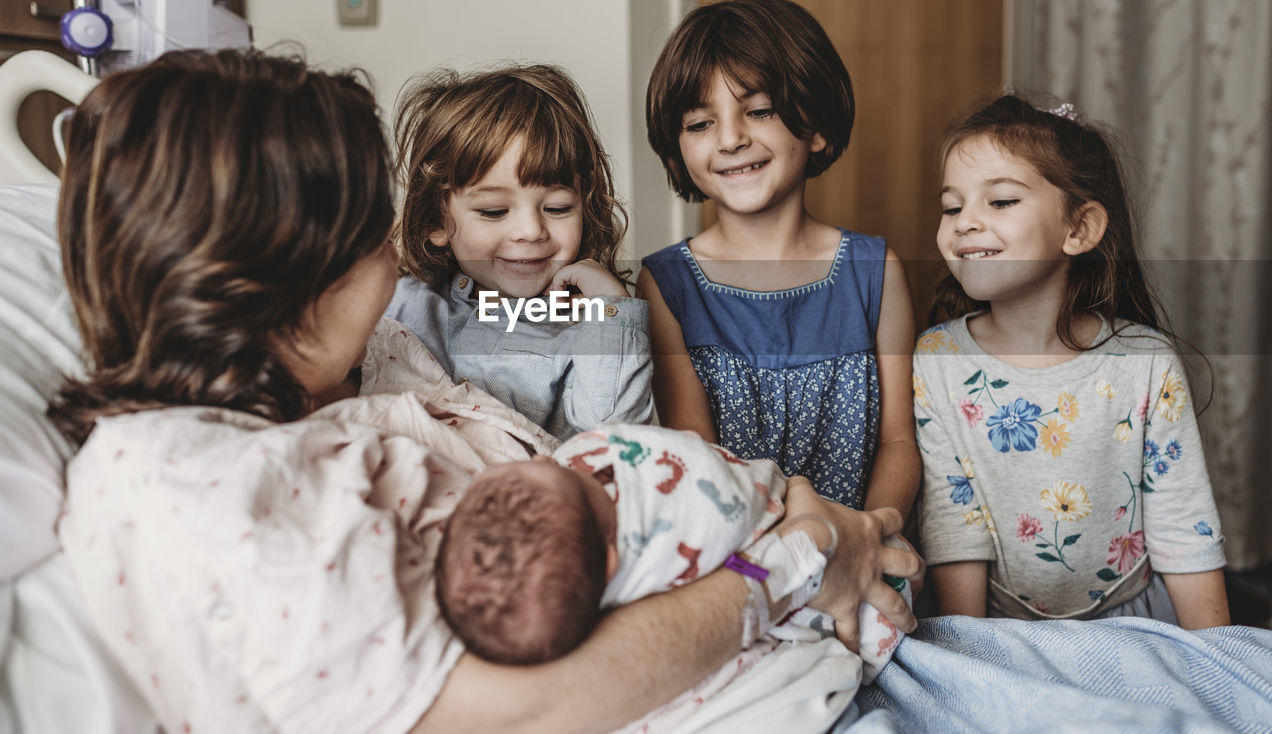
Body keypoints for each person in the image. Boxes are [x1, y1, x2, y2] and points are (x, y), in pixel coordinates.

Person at [46, 49, 921, 734]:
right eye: (369, 229)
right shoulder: (185, 490)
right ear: (284, 265)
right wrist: (795, 560)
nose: (394, 251)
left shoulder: (369, 366)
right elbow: (518, 709)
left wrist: (795, 519)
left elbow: (604, 468)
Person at [913, 94, 1229, 627]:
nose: (965, 223)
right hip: (997, 625)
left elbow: (1182, 523)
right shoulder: (937, 358)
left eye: (1001, 202)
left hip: (1136, 619)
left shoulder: (1146, 361)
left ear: (1079, 229)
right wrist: (971, 660)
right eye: (952, 206)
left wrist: (1220, 665)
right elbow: (953, 521)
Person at [639, 0, 920, 522]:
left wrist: (870, 533)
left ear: (814, 126)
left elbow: (899, 441)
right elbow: (695, 450)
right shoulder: (663, 284)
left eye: (760, 111)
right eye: (699, 123)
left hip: (862, 548)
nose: (730, 139)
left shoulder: (876, 270)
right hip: (735, 550)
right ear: (678, 149)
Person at [435, 422, 911, 684]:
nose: (548, 457)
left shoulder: (548, 573)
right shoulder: (647, 552)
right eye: (573, 477)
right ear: (610, 561)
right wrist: (810, 534)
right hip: (826, 611)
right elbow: (738, 514)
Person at [386, 65, 651, 441]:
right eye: (494, 211)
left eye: (558, 208)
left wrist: (611, 308)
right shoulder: (401, 306)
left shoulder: (588, 330)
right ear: (436, 221)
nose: (530, 231)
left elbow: (616, 442)